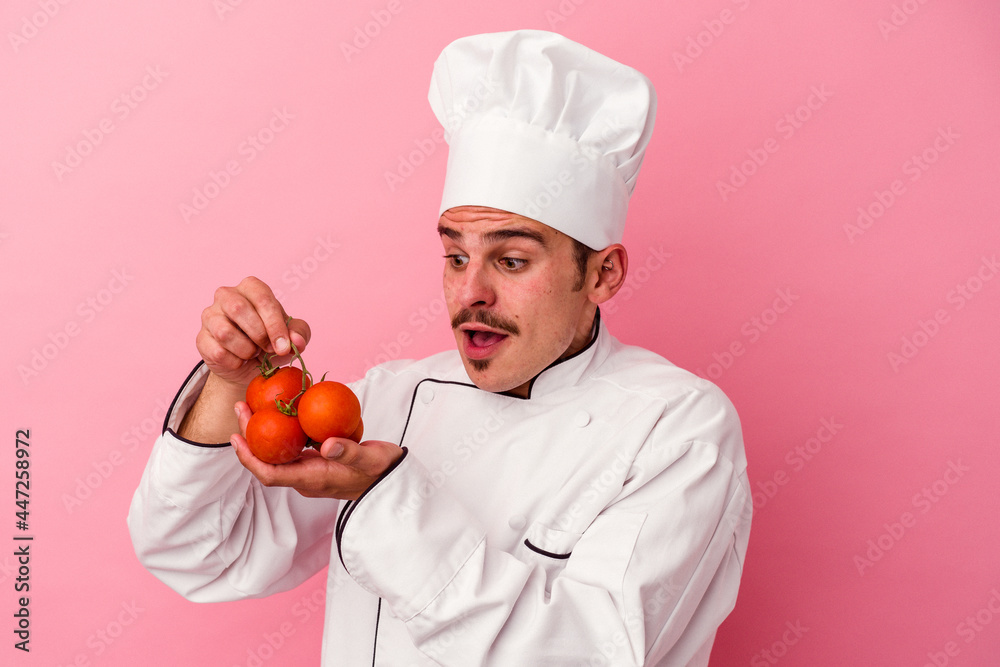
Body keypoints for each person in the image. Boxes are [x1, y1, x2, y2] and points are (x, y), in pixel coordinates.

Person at [129, 29, 751, 666]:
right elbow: (197, 553)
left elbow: (589, 655)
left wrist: (386, 499)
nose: (470, 292)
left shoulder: (676, 429)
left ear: (602, 275)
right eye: (456, 256)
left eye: (511, 260)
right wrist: (231, 379)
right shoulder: (388, 401)